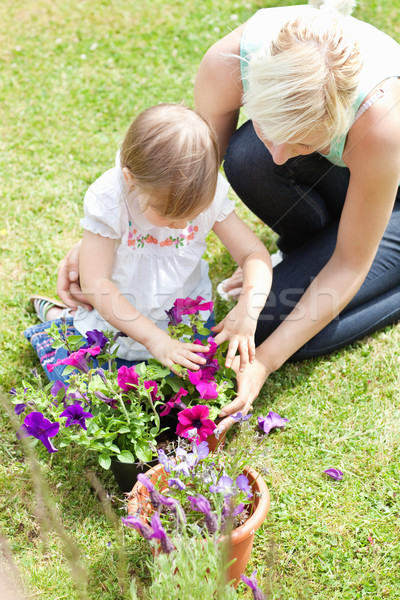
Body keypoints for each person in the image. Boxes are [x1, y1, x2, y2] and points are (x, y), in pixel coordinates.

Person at [56, 0, 400, 431]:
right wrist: (104, 238)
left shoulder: (382, 124)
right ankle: (311, 244)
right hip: (350, 182)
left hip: (390, 192)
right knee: (246, 158)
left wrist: (266, 364)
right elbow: (186, 176)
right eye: (269, 131)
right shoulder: (227, 63)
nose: (278, 156)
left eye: (299, 143)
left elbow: (350, 264)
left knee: (282, 331)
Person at [25, 103, 271, 382]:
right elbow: (97, 284)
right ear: (131, 180)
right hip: (119, 322)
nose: (183, 226)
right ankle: (61, 320)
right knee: (86, 390)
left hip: (184, 321)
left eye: (195, 214)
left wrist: (249, 310)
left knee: (188, 393)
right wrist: (155, 341)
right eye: (170, 215)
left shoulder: (204, 191)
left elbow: (254, 254)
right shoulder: (111, 199)